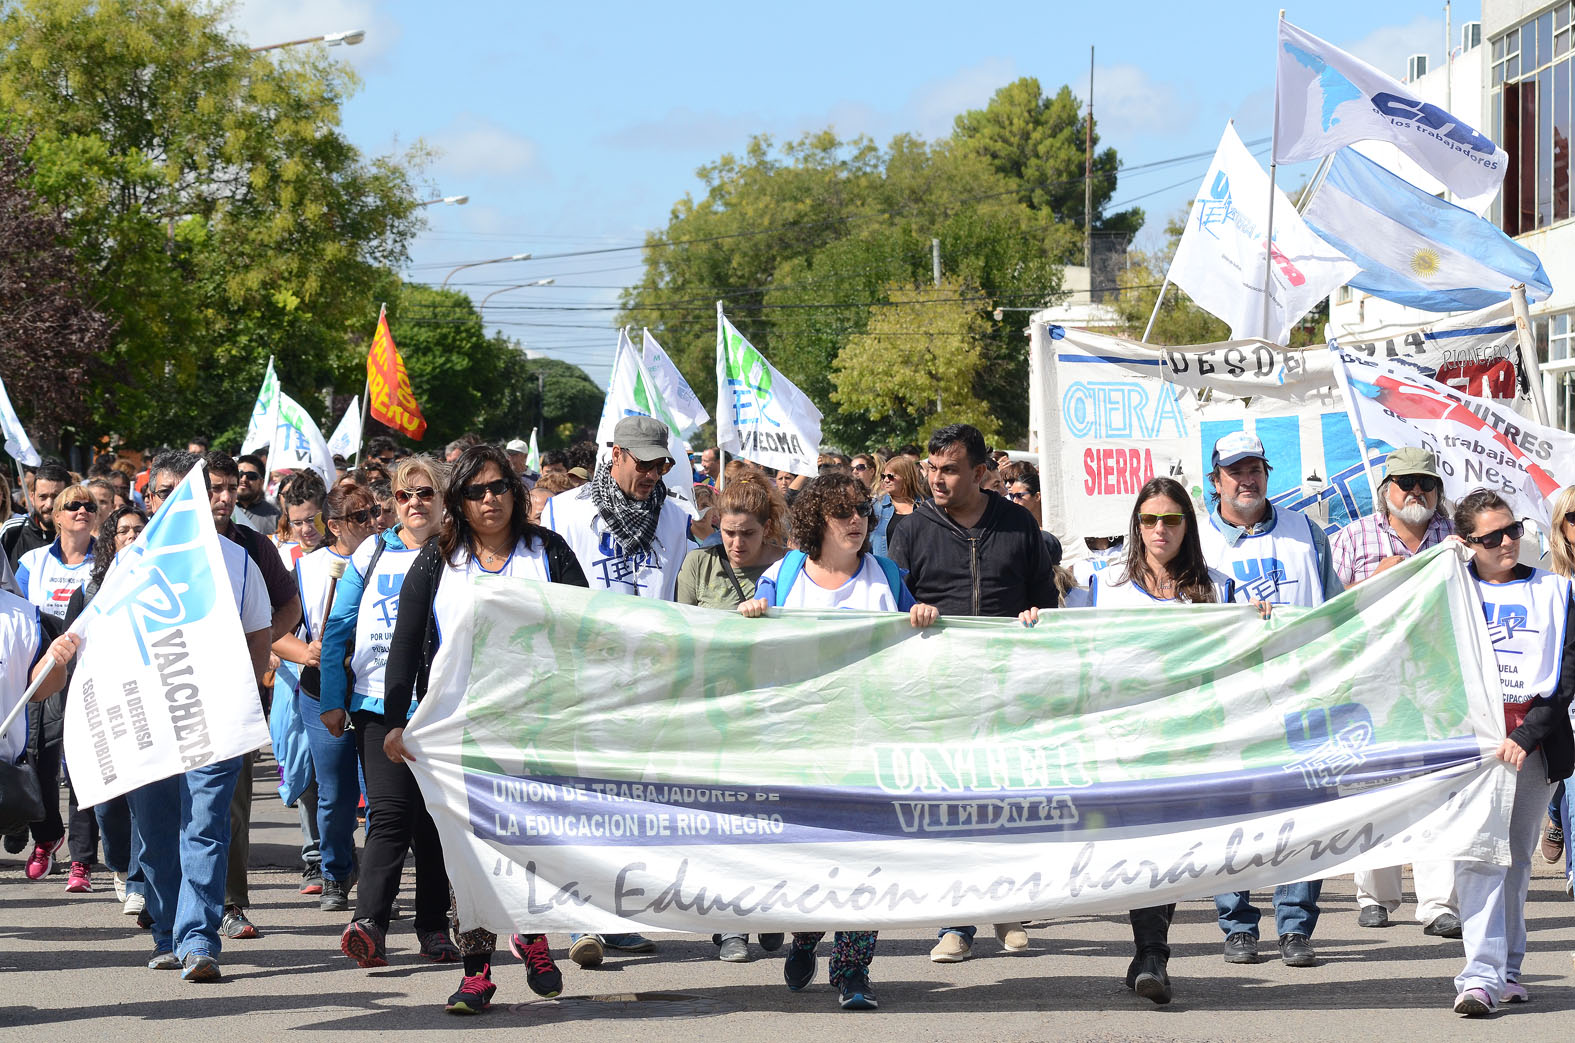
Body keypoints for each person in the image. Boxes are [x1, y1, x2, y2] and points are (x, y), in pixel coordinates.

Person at [381, 444, 587, 1013]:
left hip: (535, 727)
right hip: (458, 731)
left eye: (499, 487)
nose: (489, 499)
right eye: (475, 491)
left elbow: (587, 631)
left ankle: (533, 934)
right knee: (466, 852)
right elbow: (406, 643)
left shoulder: (548, 552)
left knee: (530, 840)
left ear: (515, 493)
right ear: (458, 502)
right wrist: (396, 721)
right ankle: (477, 971)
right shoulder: (438, 560)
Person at [738, 472, 939, 1010]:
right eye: (843, 513)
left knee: (866, 855)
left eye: (862, 513)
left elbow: (916, 639)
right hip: (800, 745)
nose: (857, 521)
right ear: (815, 521)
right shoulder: (783, 574)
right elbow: (748, 643)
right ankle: (805, 935)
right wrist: (754, 613)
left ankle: (852, 969)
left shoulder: (887, 574)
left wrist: (920, 616)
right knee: (809, 852)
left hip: (870, 744)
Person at [887, 423, 1056, 963]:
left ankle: (1008, 910)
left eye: (950, 469)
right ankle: (954, 924)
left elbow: (1045, 602)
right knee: (952, 803)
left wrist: (1036, 617)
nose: (937, 479)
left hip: (1010, 685)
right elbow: (893, 604)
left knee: (1006, 800)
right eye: (932, 468)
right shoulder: (910, 529)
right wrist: (910, 615)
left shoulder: (1017, 525)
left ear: (981, 473)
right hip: (940, 686)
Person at [117, 451, 272, 980]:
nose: (174, 502)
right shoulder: (128, 563)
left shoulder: (238, 560)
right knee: (157, 831)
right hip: (150, 723)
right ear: (149, 498)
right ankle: (165, 931)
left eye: (185, 492)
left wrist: (247, 702)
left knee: (205, 827)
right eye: (164, 492)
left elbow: (258, 638)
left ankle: (198, 939)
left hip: (217, 720)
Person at [1087, 476, 1242, 1003]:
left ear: (1187, 526)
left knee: (1172, 850)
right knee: (1140, 849)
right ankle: (1151, 952)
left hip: (1189, 742)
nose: (1160, 529)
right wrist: (1036, 621)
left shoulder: (1219, 586)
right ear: (1136, 525)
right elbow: (1074, 654)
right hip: (1124, 742)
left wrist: (1261, 624)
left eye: (1171, 520)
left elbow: (1237, 661)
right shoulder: (1105, 587)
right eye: (1150, 519)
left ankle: (1151, 953)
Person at [1196, 431, 1342, 968]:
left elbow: (1335, 613)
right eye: (1234, 470)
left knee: (1302, 814)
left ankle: (1296, 926)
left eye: (1254, 467)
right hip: (1228, 702)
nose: (1246, 479)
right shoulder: (1199, 541)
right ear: (1215, 481)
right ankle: (1236, 923)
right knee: (1232, 813)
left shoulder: (1309, 533)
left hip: (1299, 696)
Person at [322, 455, 461, 969]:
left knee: (434, 821)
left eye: (425, 493)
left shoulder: (459, 555)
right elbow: (339, 628)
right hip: (379, 704)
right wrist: (334, 697)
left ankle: (432, 927)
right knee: (389, 814)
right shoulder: (370, 555)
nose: (415, 503)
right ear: (393, 505)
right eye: (404, 496)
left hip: (443, 707)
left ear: (444, 499)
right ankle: (369, 924)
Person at [1448, 488, 1575, 1016]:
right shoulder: (1449, 589)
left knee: (1516, 860)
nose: (1508, 542)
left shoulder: (1556, 589)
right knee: (1478, 858)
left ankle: (1508, 969)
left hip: (1534, 747)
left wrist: (1526, 735)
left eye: (1514, 530)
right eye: (1492, 536)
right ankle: (1478, 977)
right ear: (1467, 543)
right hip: (1472, 748)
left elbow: (1565, 678)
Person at [1329, 447, 1460, 936]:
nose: (1415, 492)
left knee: (1438, 789)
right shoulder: (1352, 538)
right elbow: (1331, 609)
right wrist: (1374, 581)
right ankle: (1375, 895)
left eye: (1425, 483)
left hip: (1440, 678)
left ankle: (1438, 902)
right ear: (1386, 489)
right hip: (1374, 678)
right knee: (1374, 785)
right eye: (1405, 483)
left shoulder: (1454, 540)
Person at [207, 451, 303, 941]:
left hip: (236, 696)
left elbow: (291, 602)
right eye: (214, 489)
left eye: (229, 488)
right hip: (176, 693)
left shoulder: (251, 547)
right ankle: (162, 897)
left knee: (232, 803)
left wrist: (262, 646)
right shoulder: (166, 547)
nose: (225, 498)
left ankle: (230, 904)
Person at [273, 484, 375, 915]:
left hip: (376, 691)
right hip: (321, 691)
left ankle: (374, 878)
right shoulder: (308, 570)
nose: (374, 523)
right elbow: (273, 634)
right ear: (333, 526)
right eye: (360, 518)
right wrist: (305, 652)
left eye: (375, 513)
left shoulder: (395, 560)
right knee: (334, 792)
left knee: (379, 795)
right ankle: (335, 873)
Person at [62, 505, 148, 913]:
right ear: (111, 540)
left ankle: (139, 880)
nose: (131, 536)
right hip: (104, 711)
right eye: (123, 531)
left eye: (139, 530)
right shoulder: (88, 595)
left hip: (148, 708)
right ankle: (118, 863)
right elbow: (68, 653)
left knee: (146, 800)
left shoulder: (161, 588)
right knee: (110, 807)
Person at [14, 483, 96, 888]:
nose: (82, 510)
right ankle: (47, 837)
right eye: (73, 505)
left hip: (91, 671)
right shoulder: (32, 562)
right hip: (42, 671)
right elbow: (20, 613)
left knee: (82, 763)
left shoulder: (106, 564)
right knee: (38, 757)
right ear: (56, 516)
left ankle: (82, 858)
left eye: (89, 505)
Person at [544, 415, 690, 602]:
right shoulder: (563, 511)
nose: (653, 475)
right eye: (644, 464)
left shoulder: (678, 520)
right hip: (588, 629)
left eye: (661, 466)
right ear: (616, 455)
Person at [1540, 485, 1575, 892]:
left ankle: (1554, 812)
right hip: (1566, 688)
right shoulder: (1551, 580)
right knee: (1572, 773)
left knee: (1567, 778)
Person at [2, 460, 69, 571]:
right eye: (42, 497)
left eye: (56, 497)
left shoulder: (78, 536)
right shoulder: (13, 532)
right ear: (32, 498)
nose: (49, 505)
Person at [872, 455, 928, 556]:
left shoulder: (926, 505)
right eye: (883, 476)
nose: (886, 480)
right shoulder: (876, 506)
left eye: (890, 476)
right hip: (887, 569)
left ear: (906, 477)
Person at [233, 454, 281, 533]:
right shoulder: (221, 510)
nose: (244, 479)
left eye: (251, 476)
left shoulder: (275, 517)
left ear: (261, 482)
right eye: (239, 474)